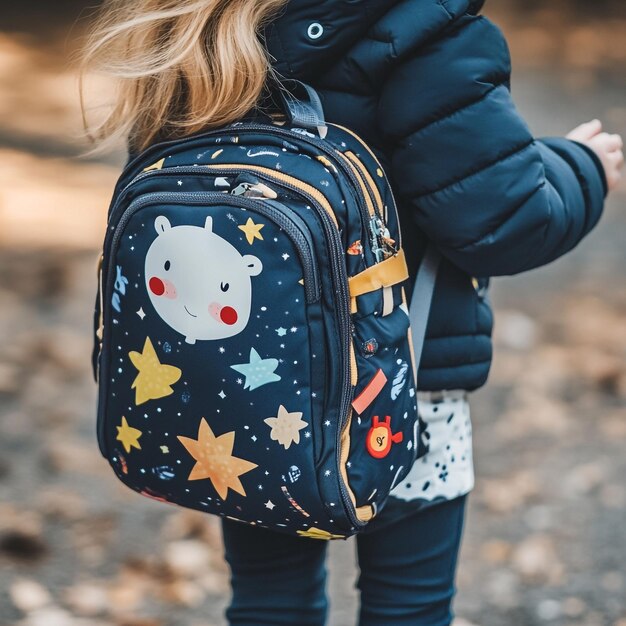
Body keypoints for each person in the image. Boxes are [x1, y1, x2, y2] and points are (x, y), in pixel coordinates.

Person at [81, 1, 624, 624]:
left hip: (246, 405)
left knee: (268, 600)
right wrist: (582, 168)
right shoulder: (431, 31)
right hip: (401, 396)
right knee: (408, 605)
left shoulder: (197, 27)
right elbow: (505, 220)